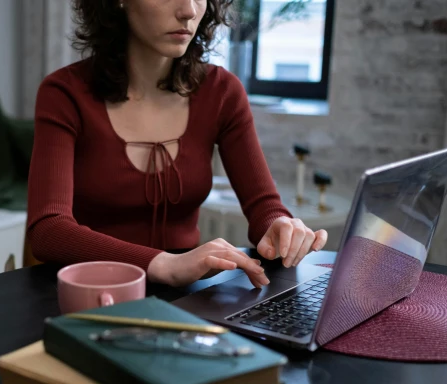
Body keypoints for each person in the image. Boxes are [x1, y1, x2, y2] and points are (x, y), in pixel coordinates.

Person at [26, 0, 328, 288]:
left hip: (186, 294)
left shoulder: (222, 92)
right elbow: (48, 229)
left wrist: (279, 227)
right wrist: (164, 264)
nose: (188, 10)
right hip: (87, 289)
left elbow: (263, 205)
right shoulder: (64, 94)